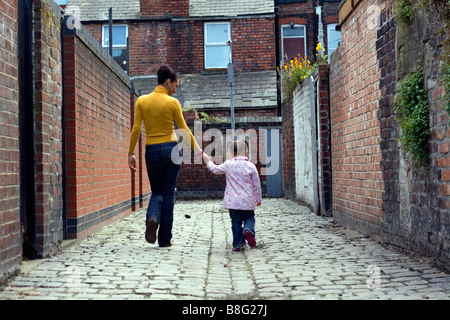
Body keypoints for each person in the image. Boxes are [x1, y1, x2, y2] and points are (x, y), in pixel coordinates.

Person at [128, 65, 202, 247]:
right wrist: (199, 151)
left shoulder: (142, 101)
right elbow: (184, 129)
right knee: (168, 194)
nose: (174, 90)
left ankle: (152, 217)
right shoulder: (173, 103)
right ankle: (164, 239)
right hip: (172, 150)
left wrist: (131, 152)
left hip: (151, 150)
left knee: (157, 191)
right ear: (168, 82)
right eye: (174, 86)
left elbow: (137, 128)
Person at [203, 140, 262, 251]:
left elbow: (215, 169)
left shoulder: (228, 164)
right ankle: (248, 230)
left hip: (233, 202)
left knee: (236, 222)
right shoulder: (251, 166)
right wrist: (258, 198)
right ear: (246, 151)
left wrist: (208, 161)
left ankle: (238, 244)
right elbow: (256, 185)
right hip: (247, 200)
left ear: (231, 152)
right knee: (249, 217)